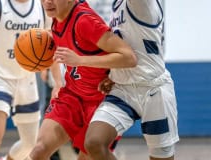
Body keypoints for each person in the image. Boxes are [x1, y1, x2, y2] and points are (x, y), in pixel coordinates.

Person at [26, 0, 137, 159]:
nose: (47, 2)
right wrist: (57, 83)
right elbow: (58, 51)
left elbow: (129, 57)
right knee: (39, 151)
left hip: (100, 101)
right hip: (72, 96)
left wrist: (80, 60)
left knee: (89, 153)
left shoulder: (85, 21)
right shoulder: (56, 19)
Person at [83, 0, 179, 160]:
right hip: (123, 90)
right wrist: (114, 74)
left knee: (161, 156)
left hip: (154, 90)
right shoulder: (118, 5)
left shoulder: (142, 4)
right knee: (94, 143)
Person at [0, 0, 51, 159]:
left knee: (30, 144)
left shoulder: (42, 7)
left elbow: (50, 43)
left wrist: (50, 71)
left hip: (27, 80)